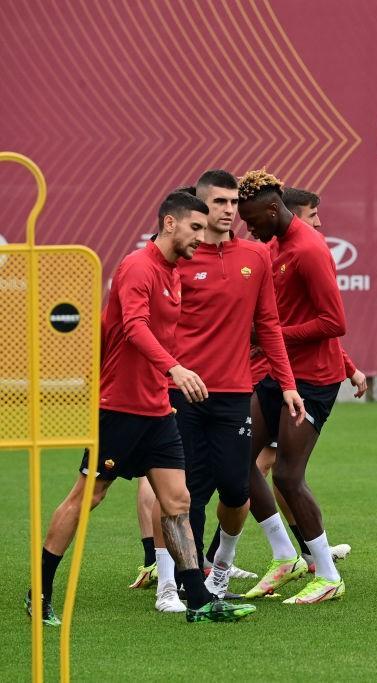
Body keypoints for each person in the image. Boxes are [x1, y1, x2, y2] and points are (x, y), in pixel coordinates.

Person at [27, 191, 255, 624]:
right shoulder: (137, 266)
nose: (200, 236)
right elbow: (133, 327)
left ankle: (197, 599)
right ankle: (39, 593)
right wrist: (176, 370)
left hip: (156, 410)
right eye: (194, 228)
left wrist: (168, 385)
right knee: (88, 496)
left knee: (178, 500)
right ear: (170, 223)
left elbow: (163, 336)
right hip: (118, 408)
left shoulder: (172, 272)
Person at [147, 169, 305, 612]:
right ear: (199, 205)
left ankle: (219, 572)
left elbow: (269, 325)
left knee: (236, 492)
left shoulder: (256, 255)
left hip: (236, 393)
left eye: (235, 203)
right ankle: (171, 585)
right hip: (184, 395)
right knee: (185, 494)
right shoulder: (175, 259)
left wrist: (288, 384)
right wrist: (165, 375)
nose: (230, 211)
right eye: (220, 203)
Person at [213, 185, 357, 574]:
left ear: (273, 209)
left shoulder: (309, 249)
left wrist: (270, 337)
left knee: (289, 476)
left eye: (253, 220)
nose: (249, 227)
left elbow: (334, 322)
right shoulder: (272, 247)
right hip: (282, 374)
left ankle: (326, 573)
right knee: (237, 459)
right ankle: (283, 555)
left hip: (313, 379)